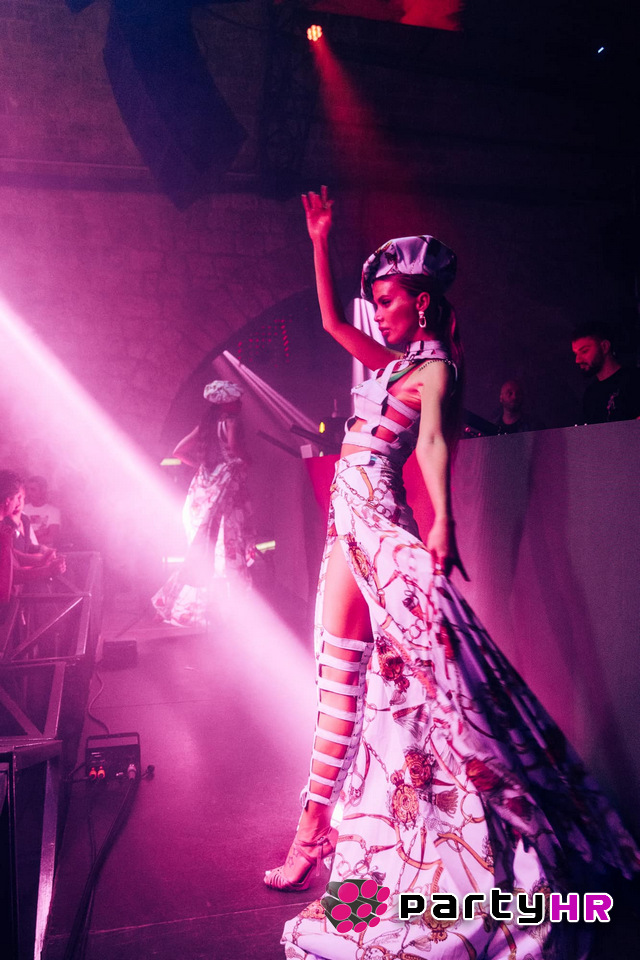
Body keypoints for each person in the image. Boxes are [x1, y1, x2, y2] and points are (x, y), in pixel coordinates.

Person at [264, 189, 638, 959]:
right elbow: (332, 323)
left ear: (424, 302)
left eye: (388, 300)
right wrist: (320, 240)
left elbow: (433, 443)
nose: (378, 313)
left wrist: (442, 521)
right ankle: (311, 831)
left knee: (440, 691)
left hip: (378, 528)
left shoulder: (434, 368)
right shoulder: (396, 361)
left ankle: (354, 832)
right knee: (339, 682)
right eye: (376, 301)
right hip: (346, 527)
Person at [151, 381, 253, 627]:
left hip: (202, 493)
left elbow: (178, 451)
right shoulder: (231, 422)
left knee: (205, 550)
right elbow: (233, 446)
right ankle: (231, 612)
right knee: (228, 549)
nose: (240, 403)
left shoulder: (206, 424)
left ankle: (186, 606)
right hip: (226, 493)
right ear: (226, 403)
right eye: (236, 400)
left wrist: (202, 467)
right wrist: (246, 459)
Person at [571, 322, 640, 424]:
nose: (577, 360)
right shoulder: (590, 394)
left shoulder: (635, 379)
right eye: (576, 354)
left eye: (584, 351)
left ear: (605, 347)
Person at [23, 475, 62, 548]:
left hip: (44, 553)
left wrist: (28, 539)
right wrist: (39, 533)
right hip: (25, 552)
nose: (29, 493)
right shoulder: (22, 509)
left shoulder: (54, 511)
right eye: (28, 489)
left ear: (43, 490)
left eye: (33, 489)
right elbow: (18, 536)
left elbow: (52, 538)